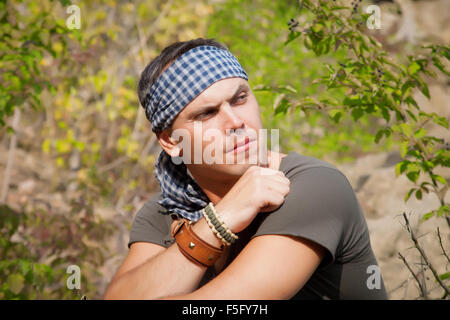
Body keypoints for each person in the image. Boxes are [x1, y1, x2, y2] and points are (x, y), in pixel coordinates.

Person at [103, 38, 388, 300]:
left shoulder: (314, 188)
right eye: (206, 113)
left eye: (240, 99)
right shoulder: (165, 212)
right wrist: (222, 218)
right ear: (170, 141)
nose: (235, 122)